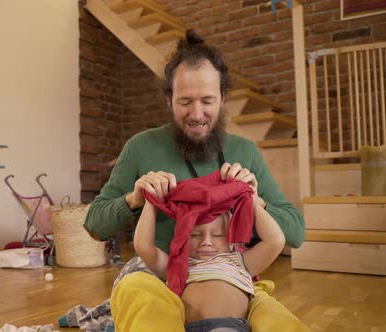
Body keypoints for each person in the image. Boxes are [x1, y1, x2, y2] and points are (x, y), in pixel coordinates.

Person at [83, 29, 307, 331]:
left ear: (223, 98)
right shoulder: (140, 147)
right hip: (157, 276)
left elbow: (294, 233)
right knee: (142, 295)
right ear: (168, 99)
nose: (197, 114)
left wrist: (257, 200)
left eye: (208, 101)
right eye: (185, 101)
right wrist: (135, 199)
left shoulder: (245, 151)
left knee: (275, 316)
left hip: (226, 274)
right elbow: (95, 225)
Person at [134, 171, 286, 331]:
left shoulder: (241, 263)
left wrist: (253, 203)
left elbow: (275, 241)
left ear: (233, 242)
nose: (206, 242)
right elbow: (143, 246)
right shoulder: (178, 266)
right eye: (194, 235)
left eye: (217, 235)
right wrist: (151, 205)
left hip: (230, 327)